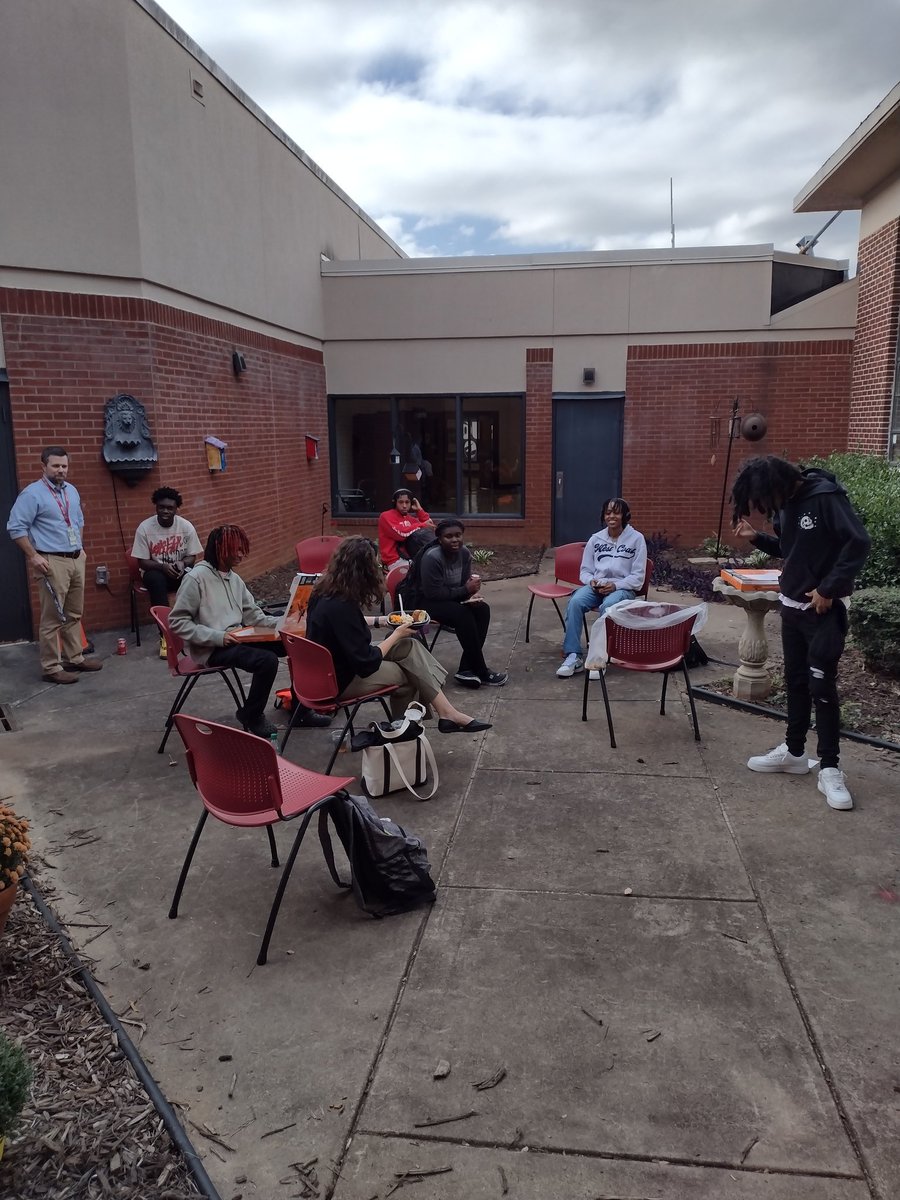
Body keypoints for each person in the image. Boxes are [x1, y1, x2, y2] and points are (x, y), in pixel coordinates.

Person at [731, 455, 870, 811]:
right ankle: (793, 753)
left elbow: (858, 542)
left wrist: (829, 588)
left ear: (778, 484)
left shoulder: (826, 497)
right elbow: (792, 550)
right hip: (791, 609)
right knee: (795, 682)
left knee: (822, 687)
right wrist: (757, 538)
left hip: (823, 612)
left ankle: (830, 768)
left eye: (766, 499)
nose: (767, 507)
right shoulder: (788, 505)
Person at [305, 536, 492, 733]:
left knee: (409, 647)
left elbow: (346, 625)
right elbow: (367, 662)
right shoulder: (341, 607)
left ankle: (446, 713)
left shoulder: (324, 592)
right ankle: (405, 729)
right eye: (376, 564)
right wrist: (398, 633)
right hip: (339, 680)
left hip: (324, 671)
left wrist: (383, 620)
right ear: (363, 570)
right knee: (410, 671)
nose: (380, 568)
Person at [168, 525, 331, 739]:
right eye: (235, 549)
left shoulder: (234, 579)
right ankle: (251, 715)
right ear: (219, 548)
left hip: (238, 637)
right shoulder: (196, 578)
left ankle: (300, 710)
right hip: (211, 647)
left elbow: (255, 616)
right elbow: (177, 622)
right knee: (267, 661)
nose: (241, 554)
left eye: (242, 549)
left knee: (295, 644)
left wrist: (287, 623)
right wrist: (218, 636)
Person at [6, 446, 103, 683]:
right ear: (44, 467)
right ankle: (51, 667)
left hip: (74, 558)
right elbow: (16, 528)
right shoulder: (32, 494)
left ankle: (74, 658)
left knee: (73, 612)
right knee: (52, 618)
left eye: (64, 466)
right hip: (51, 560)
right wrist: (33, 556)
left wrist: (80, 549)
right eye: (56, 466)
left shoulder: (71, 490)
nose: (61, 470)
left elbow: (78, 519)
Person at [556, 499, 648, 677]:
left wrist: (615, 585)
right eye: (608, 512)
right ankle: (573, 656)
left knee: (608, 607)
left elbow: (638, 577)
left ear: (625, 516)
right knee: (575, 602)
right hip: (597, 587)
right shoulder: (595, 539)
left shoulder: (637, 539)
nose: (611, 516)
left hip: (623, 588)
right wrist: (591, 581)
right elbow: (585, 570)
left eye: (616, 512)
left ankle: (599, 658)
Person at [415, 518, 508, 688]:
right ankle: (481, 670)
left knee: (482, 609)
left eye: (458, 535)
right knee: (462, 615)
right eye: (448, 536)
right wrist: (465, 591)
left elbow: (463, 584)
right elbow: (433, 593)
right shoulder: (432, 557)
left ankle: (466, 669)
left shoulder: (464, 553)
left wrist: (471, 596)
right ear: (440, 539)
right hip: (426, 602)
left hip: (451, 598)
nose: (454, 540)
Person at [131, 487, 202, 607]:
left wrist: (183, 563)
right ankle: (164, 623)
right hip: (156, 573)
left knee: (197, 575)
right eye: (161, 507)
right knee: (155, 579)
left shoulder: (186, 527)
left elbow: (192, 556)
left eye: (170, 508)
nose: (165, 511)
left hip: (179, 572)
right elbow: (142, 562)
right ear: (156, 507)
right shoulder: (144, 528)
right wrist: (163, 567)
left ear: (176, 509)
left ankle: (192, 619)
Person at [377, 488, 434, 568]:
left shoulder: (410, 519)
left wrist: (419, 510)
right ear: (395, 503)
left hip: (410, 559)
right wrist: (422, 525)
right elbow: (400, 534)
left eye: (407, 502)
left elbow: (430, 529)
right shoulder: (386, 516)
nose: (404, 506)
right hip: (394, 561)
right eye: (401, 502)